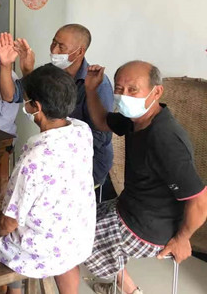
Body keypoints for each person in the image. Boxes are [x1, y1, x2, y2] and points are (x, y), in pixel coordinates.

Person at [0, 63, 96, 294]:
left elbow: (8, 225)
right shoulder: (81, 131)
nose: (24, 106)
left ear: (37, 107)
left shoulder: (34, 159)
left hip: (39, 255)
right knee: (7, 232)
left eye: (26, 101)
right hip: (77, 243)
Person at [83, 61, 207, 294]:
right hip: (130, 207)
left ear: (156, 92)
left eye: (133, 90)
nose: (124, 96)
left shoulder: (164, 138)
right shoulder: (137, 119)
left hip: (150, 227)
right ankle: (119, 282)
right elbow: (101, 120)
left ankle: (130, 290)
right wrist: (91, 89)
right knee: (78, 215)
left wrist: (183, 238)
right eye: (119, 89)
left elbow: (200, 200)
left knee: (75, 236)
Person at [2, 24, 114, 188]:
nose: (54, 50)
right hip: (52, 157)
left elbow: (101, 135)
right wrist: (9, 66)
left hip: (88, 165)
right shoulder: (50, 73)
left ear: (80, 52)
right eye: (53, 43)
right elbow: (10, 95)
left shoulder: (97, 83)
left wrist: (57, 150)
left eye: (61, 46)